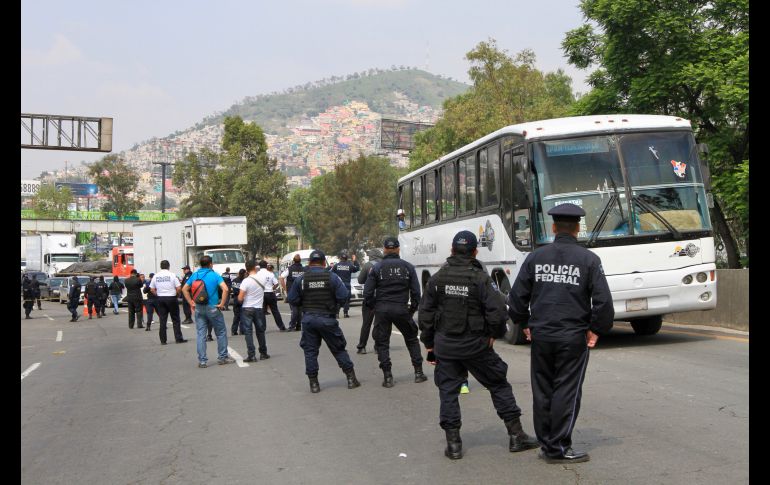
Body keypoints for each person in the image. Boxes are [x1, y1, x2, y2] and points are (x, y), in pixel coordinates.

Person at [507, 203, 614, 464]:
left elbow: (516, 299)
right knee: (567, 390)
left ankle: (547, 442)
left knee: (542, 389)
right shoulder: (589, 260)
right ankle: (557, 448)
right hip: (572, 336)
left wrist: (525, 324)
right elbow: (603, 303)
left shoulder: (535, 257)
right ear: (577, 228)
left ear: (554, 227)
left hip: (542, 335)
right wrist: (596, 329)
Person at [418, 230, 538, 460]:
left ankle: (453, 445)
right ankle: (516, 436)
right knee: (498, 384)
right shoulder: (480, 278)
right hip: (476, 345)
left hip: (447, 346)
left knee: (448, 393)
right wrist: (493, 334)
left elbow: (425, 314)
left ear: (452, 251)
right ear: (475, 251)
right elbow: (499, 310)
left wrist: (430, 344)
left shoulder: (437, 279)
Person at [287, 249, 360, 393]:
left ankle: (314, 384)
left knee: (310, 352)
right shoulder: (332, 277)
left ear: (309, 262)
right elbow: (343, 296)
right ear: (322, 262)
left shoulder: (302, 279)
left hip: (308, 319)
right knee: (338, 349)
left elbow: (292, 299)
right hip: (327, 319)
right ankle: (351, 379)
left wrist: (305, 302)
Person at [363, 236, 426, 387]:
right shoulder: (408, 267)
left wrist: (375, 308)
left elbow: (367, 293)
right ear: (398, 249)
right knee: (411, 339)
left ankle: (388, 377)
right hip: (401, 308)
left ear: (384, 250)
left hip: (382, 309)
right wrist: (411, 310)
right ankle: (418, 373)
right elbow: (416, 293)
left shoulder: (376, 268)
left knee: (382, 343)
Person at [182, 255, 235, 368]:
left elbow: (184, 289)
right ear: (210, 264)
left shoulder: (194, 275)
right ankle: (222, 357)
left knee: (201, 334)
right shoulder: (214, 275)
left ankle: (202, 361)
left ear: (201, 264)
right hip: (213, 307)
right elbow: (225, 289)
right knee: (220, 333)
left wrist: (191, 302)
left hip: (199, 308)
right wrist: (222, 304)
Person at [237, 260, 270, 362]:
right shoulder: (262, 279)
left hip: (247, 308)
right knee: (260, 331)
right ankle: (263, 353)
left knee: (248, 332)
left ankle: (251, 355)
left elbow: (240, 298)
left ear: (246, 268)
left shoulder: (246, 281)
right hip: (259, 308)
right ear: (255, 267)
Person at [150, 260, 187, 344]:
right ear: (168, 266)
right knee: (175, 319)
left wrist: (158, 295)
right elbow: (178, 288)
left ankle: (163, 340)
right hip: (171, 298)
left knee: (162, 319)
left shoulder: (156, 276)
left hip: (160, 298)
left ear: (160, 266)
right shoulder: (172, 275)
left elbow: (152, 289)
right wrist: (177, 295)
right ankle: (178, 338)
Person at [355, 248, 383, 354]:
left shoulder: (367, 265)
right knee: (379, 323)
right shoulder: (384, 264)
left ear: (371, 256)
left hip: (370, 298)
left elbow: (360, 280)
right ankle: (378, 346)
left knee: (366, 323)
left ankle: (362, 347)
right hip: (382, 299)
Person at [258, 260, 287, 331]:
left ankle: (262, 328)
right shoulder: (270, 274)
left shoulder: (257, 274)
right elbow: (276, 283)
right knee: (275, 311)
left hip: (261, 294)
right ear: (266, 266)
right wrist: (272, 288)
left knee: (262, 311)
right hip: (270, 293)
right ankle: (281, 326)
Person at [330, 251, 360, 318]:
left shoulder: (336, 265)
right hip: (347, 285)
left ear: (340, 258)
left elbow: (330, 273)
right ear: (347, 258)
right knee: (346, 299)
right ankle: (345, 313)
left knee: (338, 299)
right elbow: (357, 268)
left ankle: (337, 314)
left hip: (338, 285)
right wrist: (355, 261)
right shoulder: (349, 265)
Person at [281, 254, 304, 331]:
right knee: (300, 310)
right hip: (301, 292)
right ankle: (299, 326)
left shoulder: (289, 269)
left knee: (294, 310)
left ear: (293, 261)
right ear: (300, 261)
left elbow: (281, 278)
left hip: (292, 292)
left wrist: (285, 289)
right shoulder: (304, 269)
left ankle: (292, 326)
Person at [230, 269, 246, 336]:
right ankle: (242, 330)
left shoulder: (234, 281)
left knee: (236, 316)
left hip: (236, 298)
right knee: (243, 315)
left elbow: (232, 289)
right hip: (242, 298)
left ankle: (234, 330)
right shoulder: (244, 281)